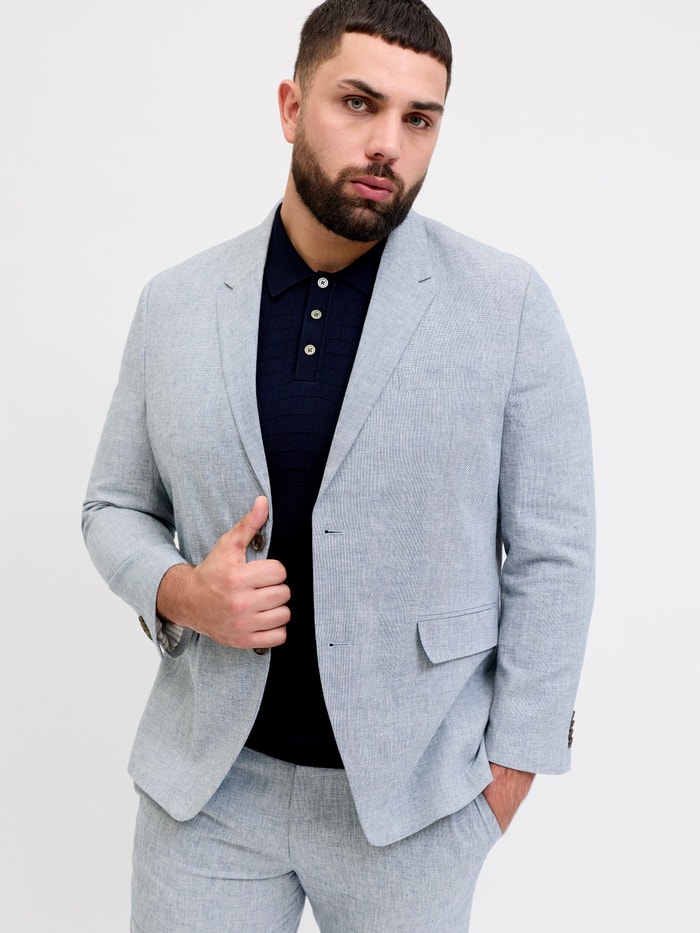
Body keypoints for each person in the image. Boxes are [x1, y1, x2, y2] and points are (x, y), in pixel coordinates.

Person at [82, 1, 595, 929]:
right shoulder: (176, 303)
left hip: (415, 805)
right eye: (358, 103)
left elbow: (554, 552)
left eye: (418, 118)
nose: (387, 143)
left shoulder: (508, 304)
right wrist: (182, 592)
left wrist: (507, 777)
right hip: (207, 795)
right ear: (291, 107)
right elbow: (113, 504)